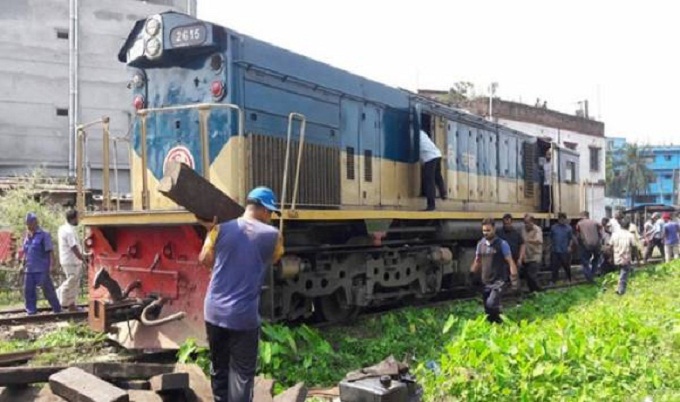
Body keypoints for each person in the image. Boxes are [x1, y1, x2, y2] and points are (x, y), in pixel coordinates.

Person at [198, 186, 284, 402]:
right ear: (263, 210)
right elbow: (274, 258)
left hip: (214, 311)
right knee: (242, 375)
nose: (271, 217)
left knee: (219, 367)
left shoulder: (219, 230)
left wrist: (211, 233)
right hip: (243, 316)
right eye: (271, 212)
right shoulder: (273, 235)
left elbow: (204, 259)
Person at [469, 218, 519, 323]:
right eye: (484, 231)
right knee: (488, 310)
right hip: (486, 282)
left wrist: (514, 278)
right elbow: (477, 261)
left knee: (491, 304)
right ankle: (495, 326)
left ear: (494, 229)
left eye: (488, 230)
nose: (486, 233)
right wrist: (472, 274)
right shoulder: (480, 244)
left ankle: (500, 322)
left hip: (499, 281)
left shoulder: (502, 244)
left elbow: (510, 261)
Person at [21, 212, 61, 315]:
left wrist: (53, 265)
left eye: (29, 223)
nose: (28, 226)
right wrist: (22, 264)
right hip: (29, 269)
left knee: (48, 290)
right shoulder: (27, 236)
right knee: (28, 291)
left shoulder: (44, 235)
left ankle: (57, 309)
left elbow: (50, 251)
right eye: (26, 223)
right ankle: (31, 311)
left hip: (41, 269)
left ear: (35, 222)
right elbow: (26, 252)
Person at [57, 209, 87, 311]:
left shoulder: (63, 228)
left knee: (75, 283)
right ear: (73, 219)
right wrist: (82, 258)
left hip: (69, 260)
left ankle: (71, 305)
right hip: (71, 260)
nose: (78, 220)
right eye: (77, 217)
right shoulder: (68, 231)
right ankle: (59, 294)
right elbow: (73, 247)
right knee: (72, 280)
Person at [607, 218, 636, 295]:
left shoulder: (614, 234)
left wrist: (610, 257)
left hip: (616, 257)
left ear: (620, 225)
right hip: (626, 258)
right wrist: (635, 257)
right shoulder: (630, 235)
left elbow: (610, 246)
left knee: (620, 273)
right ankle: (620, 291)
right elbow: (634, 247)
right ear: (628, 226)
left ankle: (618, 288)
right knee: (624, 274)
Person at [419, 130, 446, 211]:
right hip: (437, 154)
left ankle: (431, 205)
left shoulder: (414, 134)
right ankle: (443, 193)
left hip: (429, 157)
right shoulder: (422, 133)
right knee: (437, 176)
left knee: (429, 180)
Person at [575, 211, 601, 282]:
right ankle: (592, 274)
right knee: (596, 260)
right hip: (596, 245)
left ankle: (590, 278)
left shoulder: (579, 224)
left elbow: (578, 235)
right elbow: (600, 230)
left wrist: (578, 244)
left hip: (585, 245)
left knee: (585, 262)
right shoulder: (595, 222)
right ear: (588, 215)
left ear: (582, 216)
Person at [520, 214, 543, 293]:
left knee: (532, 275)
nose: (526, 224)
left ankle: (539, 291)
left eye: (527, 222)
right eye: (525, 223)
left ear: (532, 222)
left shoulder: (537, 229)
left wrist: (529, 240)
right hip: (526, 256)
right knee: (527, 276)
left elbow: (539, 240)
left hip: (535, 255)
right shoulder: (523, 229)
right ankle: (532, 292)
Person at [549, 212, 573, 285]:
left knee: (566, 266)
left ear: (565, 219)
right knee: (554, 266)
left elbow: (571, 238)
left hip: (564, 250)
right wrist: (550, 246)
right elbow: (551, 237)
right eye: (560, 219)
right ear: (558, 219)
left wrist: (569, 246)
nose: (562, 221)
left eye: (563, 219)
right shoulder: (554, 227)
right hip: (555, 250)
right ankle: (553, 281)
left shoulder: (569, 228)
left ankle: (569, 279)